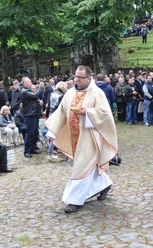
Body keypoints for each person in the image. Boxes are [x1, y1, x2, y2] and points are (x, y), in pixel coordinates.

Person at [45, 65, 118, 214]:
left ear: (89, 78)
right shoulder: (70, 93)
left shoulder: (97, 93)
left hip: (90, 137)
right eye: (75, 76)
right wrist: (52, 133)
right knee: (87, 167)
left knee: (81, 167)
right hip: (74, 136)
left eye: (80, 77)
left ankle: (74, 201)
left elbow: (105, 114)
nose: (76, 79)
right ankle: (104, 184)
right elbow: (61, 113)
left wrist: (88, 112)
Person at [20, 77, 45, 158]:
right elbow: (34, 96)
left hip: (34, 114)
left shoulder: (28, 91)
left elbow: (33, 99)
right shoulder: (24, 91)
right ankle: (26, 151)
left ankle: (33, 148)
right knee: (30, 133)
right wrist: (40, 88)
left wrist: (39, 102)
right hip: (30, 115)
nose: (31, 83)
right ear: (24, 84)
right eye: (29, 82)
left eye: (30, 82)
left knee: (35, 133)